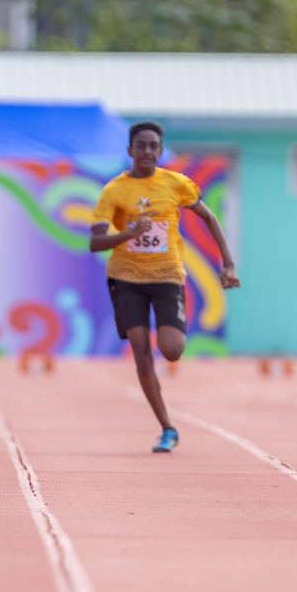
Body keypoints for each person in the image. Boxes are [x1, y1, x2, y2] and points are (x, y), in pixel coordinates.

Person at [90, 121, 239, 453]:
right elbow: (95, 242)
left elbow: (210, 218)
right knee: (142, 352)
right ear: (130, 151)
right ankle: (167, 427)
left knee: (172, 349)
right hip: (126, 278)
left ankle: (166, 419)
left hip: (167, 277)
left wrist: (228, 263)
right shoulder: (114, 190)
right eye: (140, 145)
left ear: (160, 150)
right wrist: (128, 234)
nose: (147, 151)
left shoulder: (176, 183)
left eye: (153, 146)